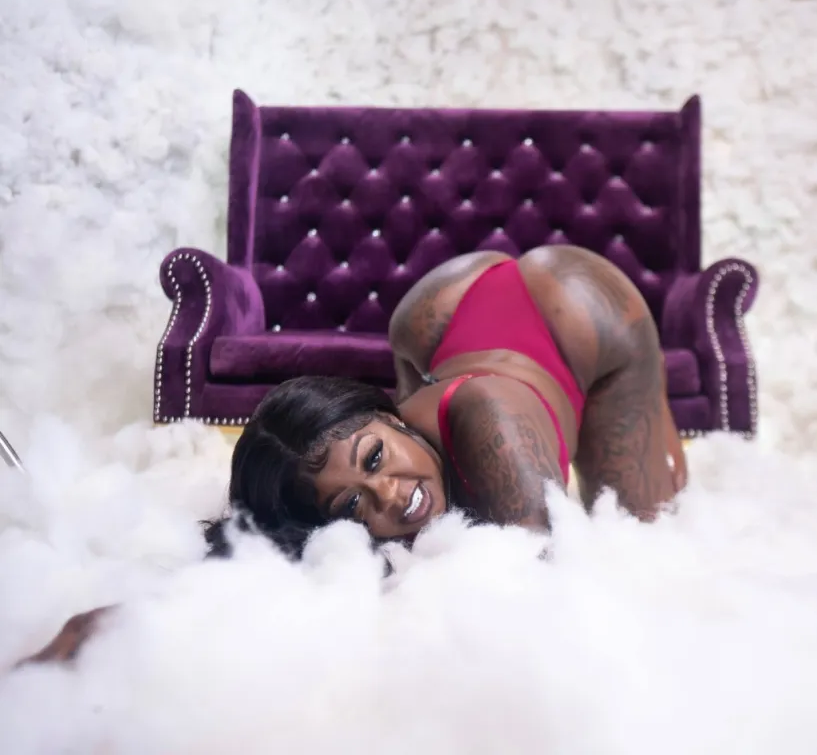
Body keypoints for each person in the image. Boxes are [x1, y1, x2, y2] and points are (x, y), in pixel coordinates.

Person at [17, 244, 688, 666]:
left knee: (649, 531)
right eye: (350, 503)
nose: (390, 494)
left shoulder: (492, 420)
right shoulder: (391, 454)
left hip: (580, 308)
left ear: (390, 415)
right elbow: (283, 565)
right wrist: (115, 623)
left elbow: (545, 592)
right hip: (432, 319)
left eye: (374, 459)